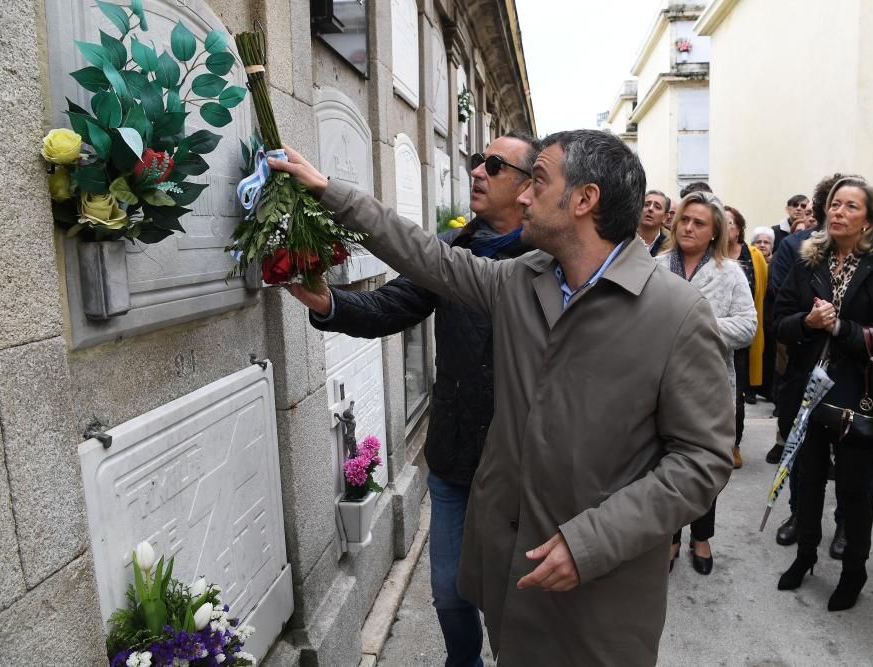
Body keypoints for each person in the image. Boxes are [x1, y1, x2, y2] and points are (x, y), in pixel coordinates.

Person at [276, 130, 734, 664]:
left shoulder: (675, 314)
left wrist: (592, 541)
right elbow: (428, 257)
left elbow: (702, 459)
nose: (521, 196)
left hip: (603, 592)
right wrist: (330, 191)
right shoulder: (521, 280)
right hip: (509, 566)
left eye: (537, 181)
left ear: (584, 200)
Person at [300, 129, 541, 667]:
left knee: (520, 598)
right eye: (478, 160)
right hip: (456, 456)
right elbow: (394, 305)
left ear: (529, 185)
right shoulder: (454, 249)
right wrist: (328, 302)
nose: (476, 171)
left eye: (494, 166)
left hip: (524, 465)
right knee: (449, 592)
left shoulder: (549, 261)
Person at [773, 176, 873, 611]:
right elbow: (780, 319)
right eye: (834, 204)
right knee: (807, 481)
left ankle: (853, 572)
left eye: (851, 206)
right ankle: (806, 557)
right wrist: (807, 325)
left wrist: (840, 329)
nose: (838, 213)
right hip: (807, 389)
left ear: (868, 218)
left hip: (858, 393)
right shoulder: (806, 258)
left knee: (854, 490)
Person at [658, 193, 757, 573]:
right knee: (663, 462)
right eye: (684, 219)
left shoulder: (730, 271)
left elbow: (748, 326)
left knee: (704, 465)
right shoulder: (654, 266)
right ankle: (669, 536)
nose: (688, 227)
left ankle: (702, 537)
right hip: (660, 383)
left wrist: (698, 328)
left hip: (709, 385)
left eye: (699, 222)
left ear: (714, 229)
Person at [724, 206, 767, 470]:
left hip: (744, 331)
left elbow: (762, 293)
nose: (726, 227)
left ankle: (735, 443)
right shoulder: (711, 256)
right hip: (721, 331)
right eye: (722, 221)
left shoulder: (753, 257)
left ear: (739, 229)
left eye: (730, 223)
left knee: (737, 392)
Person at [751, 226, 776, 401]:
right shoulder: (751, 261)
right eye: (758, 242)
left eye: (766, 242)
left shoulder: (777, 263)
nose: (762, 245)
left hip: (771, 316)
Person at [638, 189, 671, 255]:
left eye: (657, 207)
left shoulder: (673, 246)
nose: (650, 209)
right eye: (646, 205)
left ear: (665, 217)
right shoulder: (623, 237)